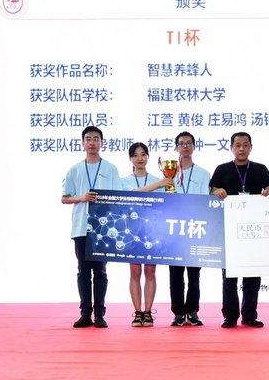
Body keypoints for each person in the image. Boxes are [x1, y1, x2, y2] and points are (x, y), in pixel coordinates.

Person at [210, 131, 269, 328]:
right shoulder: (222, 169)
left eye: (245, 145)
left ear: (251, 147)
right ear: (231, 148)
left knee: (252, 275)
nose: (241, 149)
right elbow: (211, 191)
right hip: (228, 231)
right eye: (237, 145)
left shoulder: (260, 169)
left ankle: (249, 315)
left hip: (254, 231)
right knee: (229, 277)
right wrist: (216, 191)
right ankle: (230, 316)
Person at [61, 126, 122, 328]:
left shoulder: (110, 169)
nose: (92, 142)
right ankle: (85, 313)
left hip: (103, 229)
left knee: (101, 272)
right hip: (80, 227)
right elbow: (64, 198)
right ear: (83, 143)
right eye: (88, 139)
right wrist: (82, 198)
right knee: (83, 271)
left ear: (101, 143)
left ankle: (100, 314)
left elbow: (118, 198)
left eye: (96, 139)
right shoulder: (75, 169)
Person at [121, 142, 172, 327]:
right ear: (130, 159)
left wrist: (165, 184)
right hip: (132, 232)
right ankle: (137, 313)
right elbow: (133, 194)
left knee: (150, 271)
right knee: (134, 271)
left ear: (148, 157)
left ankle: (148, 312)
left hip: (152, 231)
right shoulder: (124, 181)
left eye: (143, 154)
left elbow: (166, 204)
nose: (140, 158)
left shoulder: (159, 179)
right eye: (135, 155)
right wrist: (159, 184)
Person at [169, 132, 211, 326]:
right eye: (181, 143)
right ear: (176, 147)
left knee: (194, 274)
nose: (185, 146)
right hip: (174, 230)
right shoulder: (168, 173)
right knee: (175, 274)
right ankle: (178, 312)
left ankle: (192, 311)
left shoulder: (203, 173)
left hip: (195, 228)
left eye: (188, 143)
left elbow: (205, 201)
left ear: (194, 147)